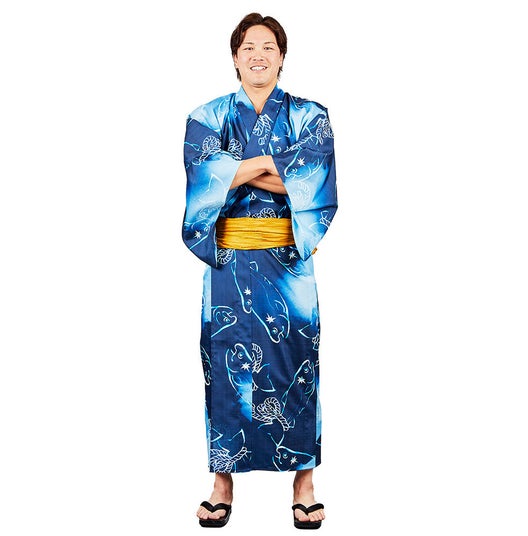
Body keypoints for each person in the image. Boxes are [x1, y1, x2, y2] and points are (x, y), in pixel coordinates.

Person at [182, 12, 338, 529]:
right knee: (223, 367)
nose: (258, 55)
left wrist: (232, 169)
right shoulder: (205, 117)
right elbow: (203, 178)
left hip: (289, 264)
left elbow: (314, 182)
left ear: (282, 57)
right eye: (249, 47)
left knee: (298, 364)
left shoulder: (311, 116)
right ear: (235, 57)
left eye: (269, 47)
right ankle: (222, 483)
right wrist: (277, 166)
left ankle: (304, 483)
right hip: (228, 264)